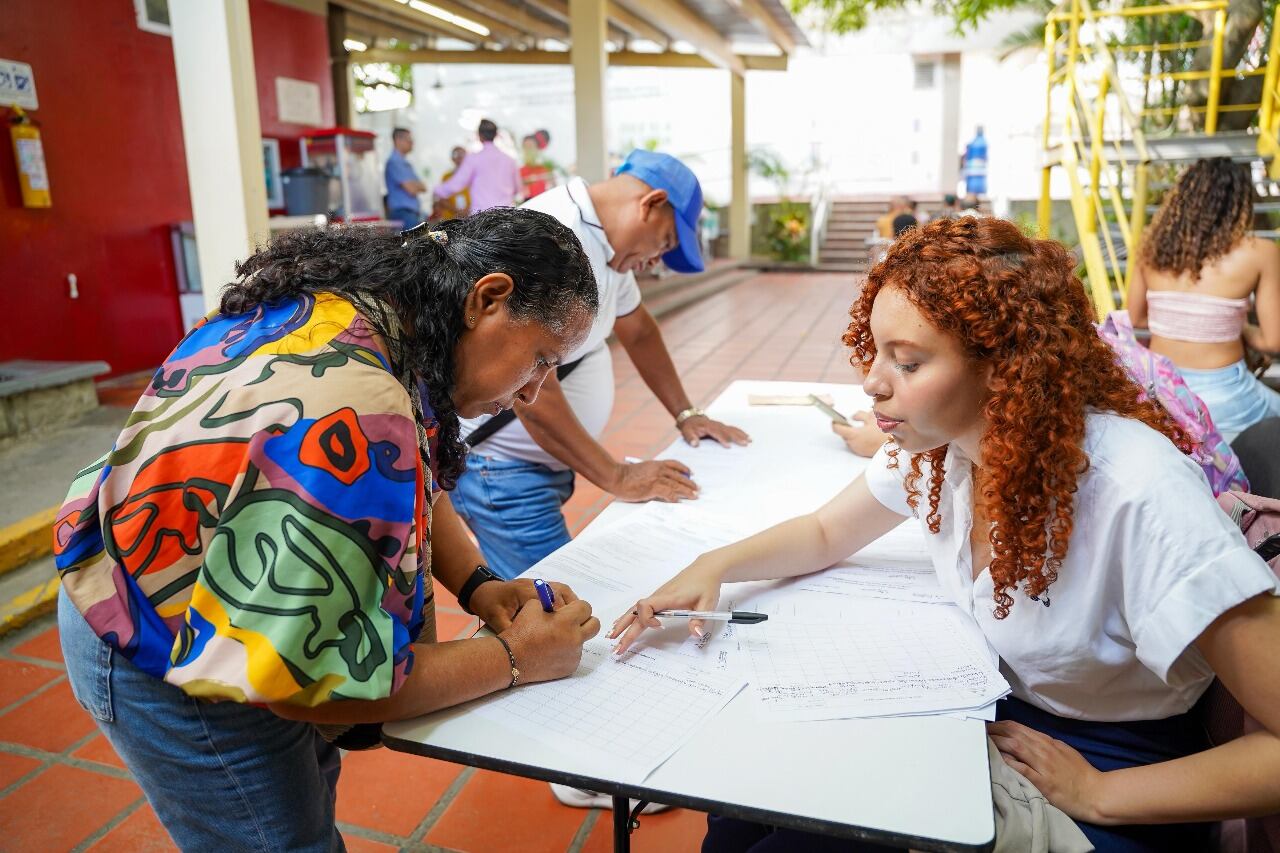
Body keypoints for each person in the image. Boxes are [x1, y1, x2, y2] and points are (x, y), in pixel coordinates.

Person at [613, 217, 1280, 852]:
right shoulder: (948, 446)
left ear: (1002, 367)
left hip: (1114, 766)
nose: (872, 382)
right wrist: (713, 565)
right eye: (875, 351)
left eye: (906, 361)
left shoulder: (1139, 492)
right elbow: (823, 531)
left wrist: (1100, 792)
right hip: (991, 715)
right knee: (734, 819)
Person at [53, 208, 605, 851]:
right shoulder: (355, 396)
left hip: (185, 584)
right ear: (489, 298)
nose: (534, 392)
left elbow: (412, 470)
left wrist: (477, 583)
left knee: (303, 790)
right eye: (541, 359)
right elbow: (309, 690)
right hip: (154, 637)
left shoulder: (375, 316)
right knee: (278, 837)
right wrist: (514, 659)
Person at [449, 148, 750, 585]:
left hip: (533, 468)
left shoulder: (608, 247)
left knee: (546, 601)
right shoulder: (555, 235)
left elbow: (640, 331)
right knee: (550, 606)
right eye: (665, 243)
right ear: (650, 204)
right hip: (501, 469)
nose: (656, 262)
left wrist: (687, 413)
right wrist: (618, 476)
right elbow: (528, 388)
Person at [1128, 157, 1280, 441]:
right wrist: (1238, 327)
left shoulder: (1149, 246)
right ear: (1239, 204)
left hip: (1162, 394)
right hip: (1227, 397)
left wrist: (1181, 322)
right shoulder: (1261, 251)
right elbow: (1272, 342)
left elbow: (1135, 317)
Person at [432, 118, 521, 215]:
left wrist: (437, 190)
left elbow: (457, 184)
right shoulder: (509, 160)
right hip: (506, 215)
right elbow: (517, 189)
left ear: (479, 136)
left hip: (482, 218)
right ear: (496, 135)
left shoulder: (473, 159)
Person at [385, 127, 426, 227]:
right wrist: (415, 185)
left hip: (412, 214)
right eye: (409, 140)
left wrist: (414, 185)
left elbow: (424, 187)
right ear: (398, 141)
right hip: (404, 215)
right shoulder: (394, 162)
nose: (412, 143)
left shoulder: (406, 164)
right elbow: (411, 189)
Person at [434, 145, 470, 220]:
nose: (460, 157)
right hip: (451, 219)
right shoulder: (446, 177)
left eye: (462, 154)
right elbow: (441, 199)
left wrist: (467, 212)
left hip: (471, 218)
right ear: (452, 158)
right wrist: (458, 211)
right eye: (456, 154)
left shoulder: (473, 177)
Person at [519, 130, 554, 200]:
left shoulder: (545, 165)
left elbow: (553, 182)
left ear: (537, 148)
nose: (528, 149)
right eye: (525, 146)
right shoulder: (519, 166)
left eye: (530, 146)